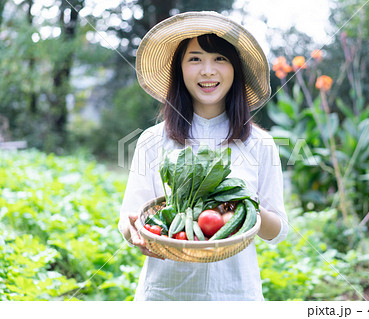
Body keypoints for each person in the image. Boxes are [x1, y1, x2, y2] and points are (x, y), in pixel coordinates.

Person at [118, 11, 288, 301]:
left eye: (220, 59)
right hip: (165, 295)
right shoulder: (151, 140)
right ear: (180, 69)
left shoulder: (260, 143)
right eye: (195, 58)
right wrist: (133, 232)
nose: (208, 70)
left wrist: (247, 210)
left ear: (235, 69)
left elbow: (277, 230)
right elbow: (129, 218)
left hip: (235, 295)